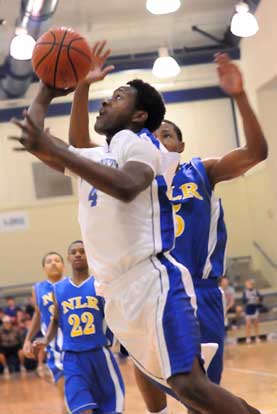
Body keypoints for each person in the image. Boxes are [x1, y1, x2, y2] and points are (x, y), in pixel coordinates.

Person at [10, 41, 261, 414]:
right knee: (192, 392)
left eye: (118, 96)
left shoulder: (142, 145)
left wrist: (56, 147)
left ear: (141, 116)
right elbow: (41, 143)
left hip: (153, 281)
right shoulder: (101, 155)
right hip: (116, 293)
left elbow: (128, 185)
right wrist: (46, 89)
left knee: (193, 387)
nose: (106, 102)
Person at [133, 53, 267, 414]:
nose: (160, 141)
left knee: (205, 397)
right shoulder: (136, 182)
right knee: (152, 375)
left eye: (167, 134)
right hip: (156, 292)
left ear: (181, 145)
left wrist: (239, 96)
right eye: (153, 136)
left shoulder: (200, 172)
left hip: (200, 292)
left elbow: (256, 152)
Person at [34, 240, 125, 414]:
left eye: (82, 251)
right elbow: (55, 320)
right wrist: (45, 339)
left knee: (111, 408)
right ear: (68, 258)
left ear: (89, 255)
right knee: (80, 408)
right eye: (74, 252)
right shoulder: (59, 289)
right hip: (72, 357)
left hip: (99, 354)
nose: (78, 254)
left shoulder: (100, 284)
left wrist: (115, 341)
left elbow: (114, 316)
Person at [23, 252, 64, 383]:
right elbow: (38, 314)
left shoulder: (71, 284)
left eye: (57, 260)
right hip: (53, 345)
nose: (53, 263)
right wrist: (28, 339)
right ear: (43, 268)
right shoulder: (38, 288)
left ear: (63, 266)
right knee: (63, 390)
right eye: (49, 261)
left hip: (73, 342)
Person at [243, 279, 262, 344]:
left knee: (256, 324)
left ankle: (257, 337)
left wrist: (258, 299)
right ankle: (248, 338)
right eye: (247, 285)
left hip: (255, 308)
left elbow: (260, 298)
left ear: (252, 285)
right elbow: (244, 301)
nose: (248, 286)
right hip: (248, 309)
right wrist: (247, 300)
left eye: (249, 284)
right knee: (248, 325)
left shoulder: (256, 291)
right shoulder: (245, 292)